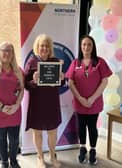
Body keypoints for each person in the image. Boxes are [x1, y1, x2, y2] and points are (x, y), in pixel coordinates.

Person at [66, 35, 112, 165]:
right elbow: (70, 82)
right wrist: (80, 98)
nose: (86, 47)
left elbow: (104, 81)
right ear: (81, 47)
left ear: (93, 47)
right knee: (81, 126)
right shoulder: (76, 63)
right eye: (84, 44)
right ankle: (82, 148)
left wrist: (92, 98)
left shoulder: (100, 62)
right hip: (79, 103)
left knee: (92, 127)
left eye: (89, 44)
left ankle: (92, 150)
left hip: (94, 103)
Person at [24, 34, 64, 168]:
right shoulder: (31, 62)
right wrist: (33, 81)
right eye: (42, 45)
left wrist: (62, 78)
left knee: (53, 131)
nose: (44, 48)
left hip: (52, 103)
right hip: (37, 103)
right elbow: (25, 84)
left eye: (47, 46)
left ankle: (53, 156)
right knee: (38, 132)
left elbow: (60, 83)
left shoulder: (55, 61)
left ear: (50, 48)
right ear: (37, 47)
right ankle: (40, 157)